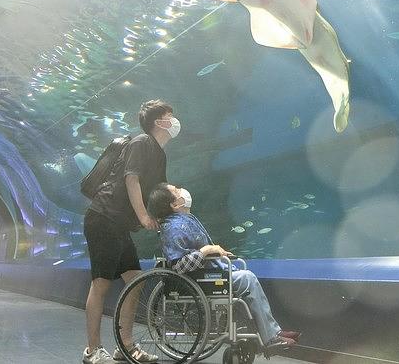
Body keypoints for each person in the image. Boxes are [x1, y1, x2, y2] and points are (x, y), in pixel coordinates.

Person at [82, 100, 181, 364]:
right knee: (101, 283)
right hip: (103, 217)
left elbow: (159, 192)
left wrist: (173, 212)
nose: (174, 120)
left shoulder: (159, 154)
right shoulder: (141, 142)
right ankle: (92, 350)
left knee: (135, 279)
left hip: (119, 225)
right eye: (170, 116)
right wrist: (143, 217)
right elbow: (131, 179)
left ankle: (125, 347)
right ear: (158, 122)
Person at [147, 182, 301, 349]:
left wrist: (215, 253)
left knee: (245, 277)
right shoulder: (174, 228)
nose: (181, 190)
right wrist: (206, 251)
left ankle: (272, 331)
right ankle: (270, 336)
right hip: (200, 280)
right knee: (248, 278)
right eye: (176, 191)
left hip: (207, 275)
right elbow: (178, 266)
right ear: (174, 204)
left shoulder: (181, 221)